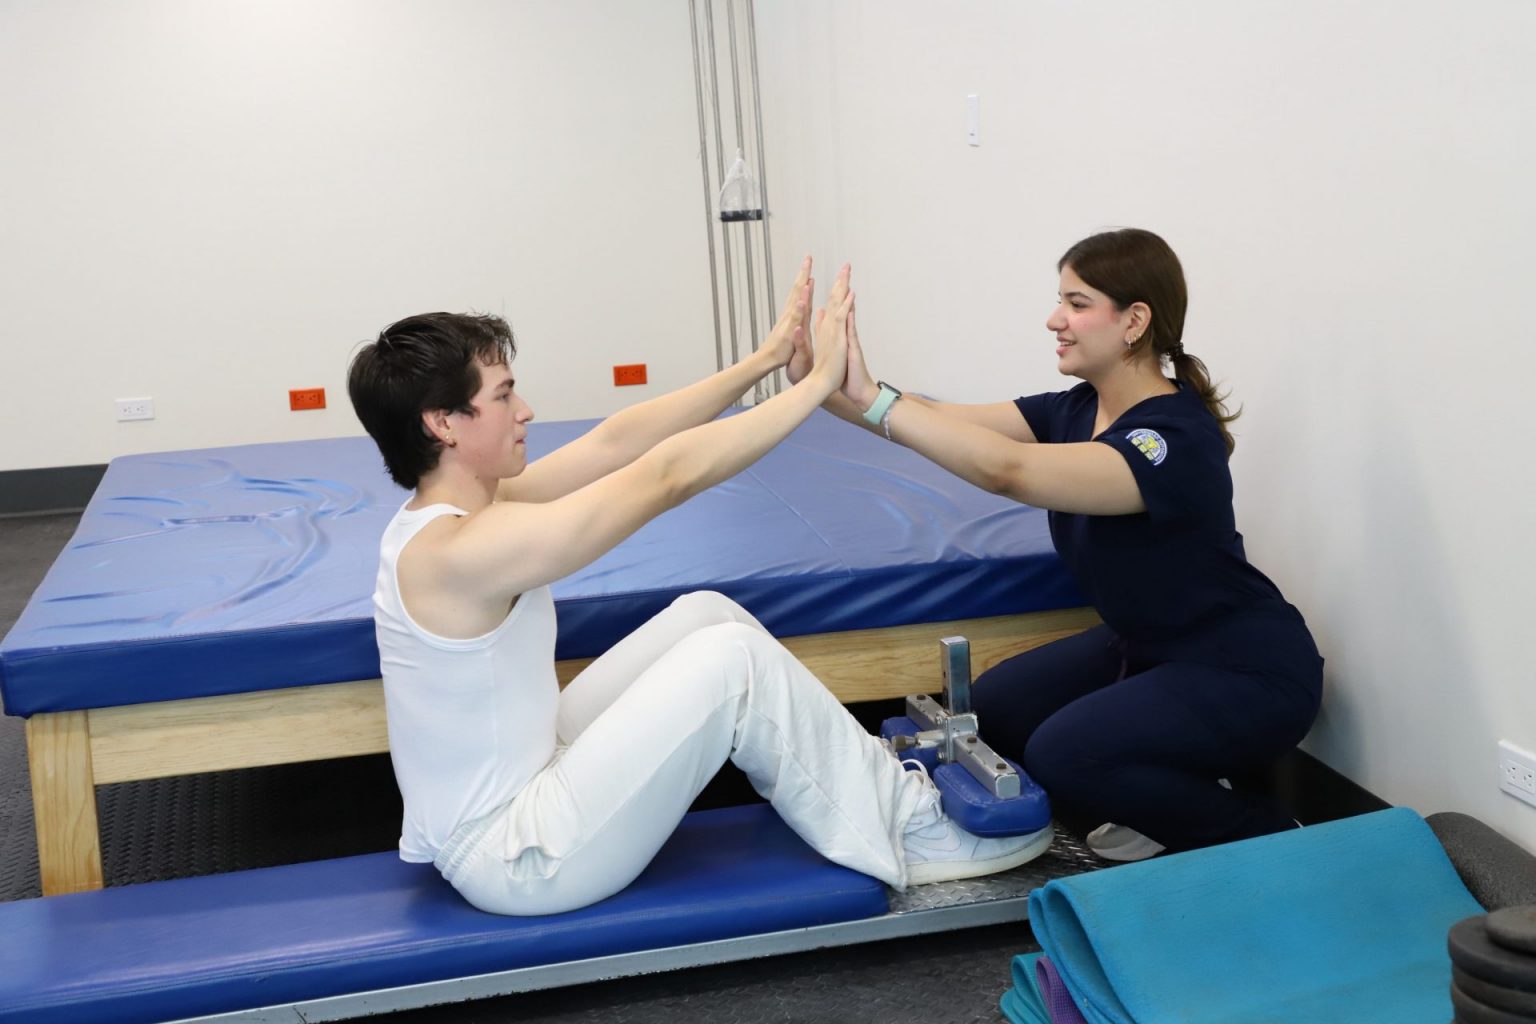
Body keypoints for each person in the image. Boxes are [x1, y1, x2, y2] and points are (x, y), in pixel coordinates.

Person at [344, 260, 1052, 916]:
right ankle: (908, 833)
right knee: (732, 665)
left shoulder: (462, 514)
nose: (524, 410)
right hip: (519, 855)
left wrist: (766, 361)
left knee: (706, 616)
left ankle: (861, 777)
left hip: (533, 768)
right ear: (443, 423)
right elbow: (666, 476)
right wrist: (814, 388)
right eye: (502, 396)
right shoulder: (460, 553)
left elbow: (616, 443)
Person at [792, 229, 1323, 861]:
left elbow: (1007, 470)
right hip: (1148, 648)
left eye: (1076, 303)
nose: (1054, 320)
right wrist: (820, 383)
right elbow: (926, 417)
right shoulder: (1075, 409)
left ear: (1134, 322)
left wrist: (869, 398)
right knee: (996, 709)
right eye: (1060, 301)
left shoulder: (1170, 440)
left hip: (1245, 669)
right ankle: (1165, 802)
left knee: (1066, 754)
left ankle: (1270, 834)